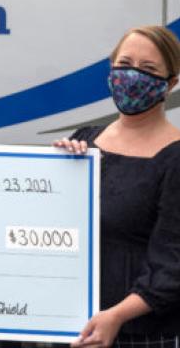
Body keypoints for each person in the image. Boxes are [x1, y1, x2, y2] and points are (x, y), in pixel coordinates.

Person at [54, 25, 180, 348]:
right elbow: (47, 233)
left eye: (148, 69)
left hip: (140, 336)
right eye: (124, 65)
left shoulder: (175, 156)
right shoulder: (84, 140)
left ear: (172, 83)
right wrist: (57, 174)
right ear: (111, 71)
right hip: (71, 327)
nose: (132, 75)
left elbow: (172, 264)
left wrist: (117, 316)